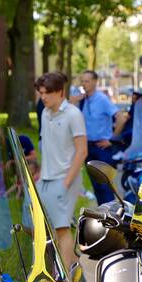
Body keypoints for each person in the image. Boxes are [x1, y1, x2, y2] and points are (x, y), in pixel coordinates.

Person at [36, 71, 88, 270]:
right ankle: (73, 267)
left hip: (66, 179)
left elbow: (82, 151)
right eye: (41, 93)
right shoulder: (45, 113)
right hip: (46, 179)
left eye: (47, 93)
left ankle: (66, 281)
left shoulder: (73, 115)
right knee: (38, 228)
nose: (43, 97)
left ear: (60, 92)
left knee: (61, 229)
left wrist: (66, 183)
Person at [71, 70, 127, 204]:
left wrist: (112, 139)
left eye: (87, 81)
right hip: (87, 147)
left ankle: (111, 218)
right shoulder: (83, 100)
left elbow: (121, 118)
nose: (84, 84)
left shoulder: (102, 99)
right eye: (82, 81)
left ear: (95, 82)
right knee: (96, 186)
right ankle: (103, 216)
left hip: (101, 148)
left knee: (105, 186)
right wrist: (74, 101)